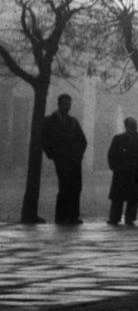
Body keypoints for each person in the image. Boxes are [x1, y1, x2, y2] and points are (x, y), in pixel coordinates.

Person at [41, 94, 87, 224]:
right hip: (61, 159)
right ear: (59, 104)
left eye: (69, 104)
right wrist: (52, 154)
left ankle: (73, 215)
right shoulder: (49, 121)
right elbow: (45, 139)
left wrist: (78, 155)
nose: (68, 106)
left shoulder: (73, 122)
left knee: (76, 187)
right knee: (65, 187)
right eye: (66, 103)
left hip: (74, 160)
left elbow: (82, 140)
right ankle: (61, 216)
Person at [106, 117, 138, 226]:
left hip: (136, 172)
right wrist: (115, 168)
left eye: (135, 124)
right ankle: (114, 218)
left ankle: (130, 218)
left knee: (134, 198)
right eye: (132, 124)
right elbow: (112, 154)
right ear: (126, 126)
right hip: (122, 172)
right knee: (118, 198)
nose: (135, 126)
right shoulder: (118, 139)